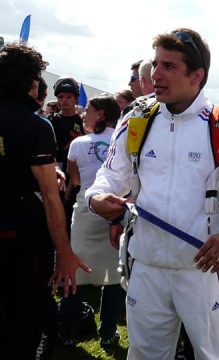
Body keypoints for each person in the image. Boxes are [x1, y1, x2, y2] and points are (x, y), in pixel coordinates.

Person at [85, 28, 219, 359]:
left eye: (169, 66)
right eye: (155, 64)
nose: (155, 74)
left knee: (214, 355)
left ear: (196, 75)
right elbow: (110, 177)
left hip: (201, 270)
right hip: (147, 267)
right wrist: (97, 198)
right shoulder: (137, 119)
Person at [0, 42, 90, 359]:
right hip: (23, 235)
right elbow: (51, 199)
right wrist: (65, 254)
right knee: (32, 322)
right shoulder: (36, 124)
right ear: (32, 81)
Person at [59, 95, 123, 347]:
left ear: (101, 114)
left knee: (73, 273)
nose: (83, 113)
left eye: (88, 110)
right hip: (114, 209)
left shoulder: (78, 144)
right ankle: (107, 332)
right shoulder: (122, 141)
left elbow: (75, 181)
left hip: (87, 209)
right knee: (113, 277)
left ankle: (66, 332)